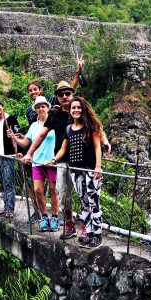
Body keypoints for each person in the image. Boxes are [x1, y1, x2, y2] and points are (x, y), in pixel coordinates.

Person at [46, 96, 104, 246]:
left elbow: (98, 147)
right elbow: (63, 149)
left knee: (94, 203)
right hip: (76, 171)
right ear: (70, 111)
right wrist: (53, 160)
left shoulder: (91, 126)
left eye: (79, 107)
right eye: (73, 108)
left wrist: (98, 167)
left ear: (83, 109)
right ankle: (89, 233)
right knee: (84, 203)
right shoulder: (68, 129)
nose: (76, 110)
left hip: (91, 170)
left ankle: (97, 235)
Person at [15, 96, 60, 231]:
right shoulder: (34, 126)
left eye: (43, 106)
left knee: (53, 190)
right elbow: (26, 143)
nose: (41, 109)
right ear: (35, 110)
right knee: (38, 191)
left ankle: (55, 218)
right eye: (38, 107)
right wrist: (14, 138)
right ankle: (44, 217)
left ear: (47, 108)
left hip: (51, 161)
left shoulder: (55, 123)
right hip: (36, 162)